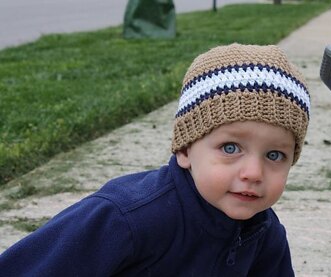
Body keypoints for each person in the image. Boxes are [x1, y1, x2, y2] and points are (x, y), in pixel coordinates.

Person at [0, 43, 310, 276]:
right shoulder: (126, 218)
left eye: (274, 155)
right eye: (231, 148)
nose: (254, 172)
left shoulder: (263, 232)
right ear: (185, 149)